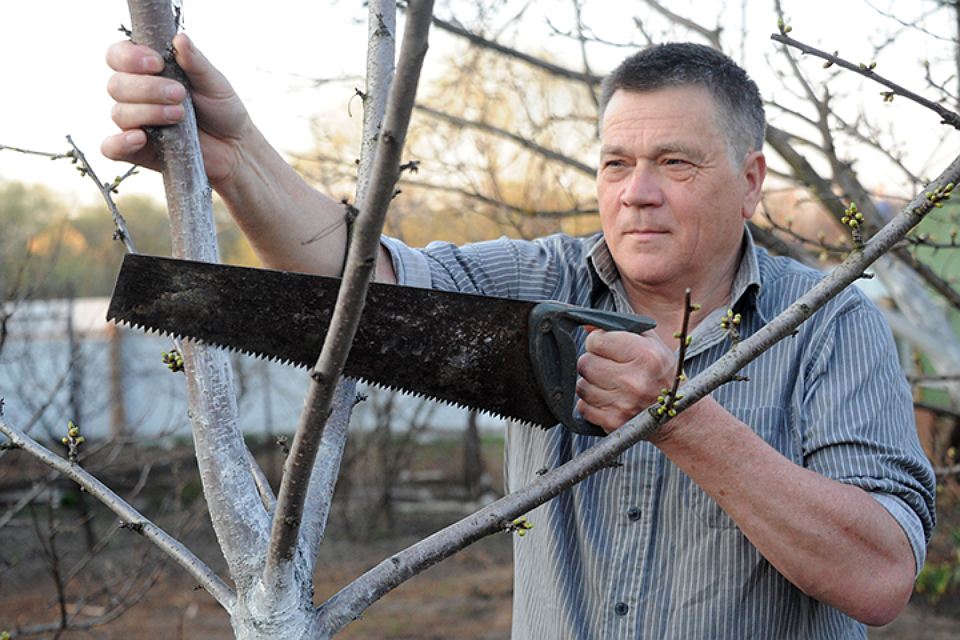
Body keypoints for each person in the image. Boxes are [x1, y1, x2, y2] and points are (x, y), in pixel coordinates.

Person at [105, 34, 935, 639]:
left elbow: (880, 575)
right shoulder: (545, 281)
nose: (636, 194)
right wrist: (234, 159)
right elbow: (364, 291)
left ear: (750, 180)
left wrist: (680, 418)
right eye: (615, 164)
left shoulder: (830, 321)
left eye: (675, 164)